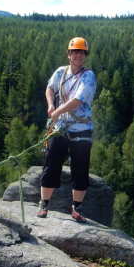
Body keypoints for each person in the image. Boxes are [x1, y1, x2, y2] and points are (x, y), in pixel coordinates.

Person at [37, 37, 97, 223]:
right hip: (61, 126)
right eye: (75, 52)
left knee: (80, 168)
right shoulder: (61, 72)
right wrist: (50, 105)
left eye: (82, 52)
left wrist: (57, 112)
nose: (78, 55)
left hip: (80, 127)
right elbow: (50, 88)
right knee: (51, 163)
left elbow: (77, 101)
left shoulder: (88, 76)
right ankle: (44, 204)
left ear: (85, 56)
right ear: (69, 54)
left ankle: (77, 208)